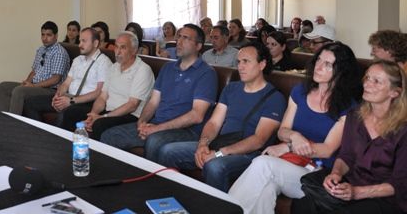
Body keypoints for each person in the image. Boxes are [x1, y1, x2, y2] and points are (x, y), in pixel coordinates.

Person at [229, 42, 363, 214]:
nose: (318, 67)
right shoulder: (300, 92)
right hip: (289, 163)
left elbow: (327, 150)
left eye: (327, 64)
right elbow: (282, 130)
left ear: (342, 71)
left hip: (318, 173)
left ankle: (223, 210)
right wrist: (294, 135)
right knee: (265, 190)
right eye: (318, 60)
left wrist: (287, 145)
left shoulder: (348, 106)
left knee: (263, 164)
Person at [158, 43, 286, 192]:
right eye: (238, 62)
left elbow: (259, 140)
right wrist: (203, 144)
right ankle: (172, 200)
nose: (240, 67)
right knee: (167, 151)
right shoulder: (231, 88)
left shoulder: (274, 98)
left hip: (248, 154)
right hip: (221, 143)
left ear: (262, 64)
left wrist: (219, 154)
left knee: (215, 166)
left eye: (246, 61)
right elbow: (214, 122)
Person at [292, 60, 407, 214]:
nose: (367, 84)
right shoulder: (355, 115)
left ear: (395, 92)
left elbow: (400, 183)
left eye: (377, 81)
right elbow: (346, 155)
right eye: (367, 78)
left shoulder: (403, 129)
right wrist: (336, 174)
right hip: (351, 184)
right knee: (303, 205)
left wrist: (357, 192)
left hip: (385, 197)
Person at [101, 24, 217, 162]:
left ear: (198, 46)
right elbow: (153, 102)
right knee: (109, 135)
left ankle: (149, 182)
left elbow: (197, 116)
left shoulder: (206, 73)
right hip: (157, 124)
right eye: (179, 36)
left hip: (186, 131)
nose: (179, 41)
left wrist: (157, 129)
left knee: (154, 141)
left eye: (185, 38)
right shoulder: (168, 68)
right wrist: (142, 123)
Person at [23, 27, 111, 131]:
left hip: (87, 103)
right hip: (69, 97)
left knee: (66, 113)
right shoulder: (78, 60)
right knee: (31, 102)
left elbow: (98, 92)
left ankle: (53, 141)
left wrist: (71, 101)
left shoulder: (104, 62)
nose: (80, 45)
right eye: (80, 41)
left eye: (84, 41)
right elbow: (66, 83)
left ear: (95, 43)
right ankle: (38, 135)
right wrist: (57, 96)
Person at [84, 32, 155, 140]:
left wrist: (102, 117)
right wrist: (93, 115)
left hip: (130, 115)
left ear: (134, 50)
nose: (118, 51)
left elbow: (132, 105)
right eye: (116, 47)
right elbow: (102, 97)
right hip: (109, 112)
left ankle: (95, 156)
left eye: (123, 47)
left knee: (99, 124)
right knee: (73, 112)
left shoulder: (143, 70)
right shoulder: (114, 67)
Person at [0, 21, 70, 115]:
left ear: (56, 36)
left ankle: (12, 124)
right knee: (3, 86)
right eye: (42, 35)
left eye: (48, 35)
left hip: (51, 90)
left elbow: (55, 79)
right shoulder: (41, 49)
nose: (45, 38)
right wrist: (26, 82)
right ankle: (0, 120)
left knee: (19, 91)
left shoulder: (59, 52)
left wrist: (33, 86)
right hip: (36, 86)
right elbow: (34, 71)